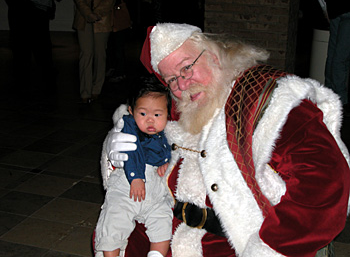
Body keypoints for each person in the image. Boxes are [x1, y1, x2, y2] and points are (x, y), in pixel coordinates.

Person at [103, 23, 350, 257]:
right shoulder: (180, 104)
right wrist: (118, 138)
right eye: (171, 80)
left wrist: (269, 248)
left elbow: (326, 184)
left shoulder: (273, 102)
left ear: (213, 55)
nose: (182, 84)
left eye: (187, 67)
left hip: (241, 241)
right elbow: (138, 113)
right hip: (169, 227)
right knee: (112, 239)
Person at [94, 77, 173, 257]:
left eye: (157, 115)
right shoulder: (130, 126)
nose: (150, 121)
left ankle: (156, 254)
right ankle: (110, 254)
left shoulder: (166, 132)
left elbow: (170, 149)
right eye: (143, 114)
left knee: (162, 220)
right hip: (127, 185)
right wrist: (136, 177)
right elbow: (132, 152)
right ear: (131, 111)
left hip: (155, 191)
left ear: (167, 114)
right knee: (115, 219)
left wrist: (167, 163)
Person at [4, 0, 62, 96]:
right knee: (27, 53)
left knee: (37, 53)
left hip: (32, 14)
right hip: (25, 13)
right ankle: (31, 87)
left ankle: (39, 87)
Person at [72, 0, 116, 103]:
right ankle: (85, 92)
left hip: (103, 19)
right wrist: (88, 13)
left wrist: (97, 13)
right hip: (83, 18)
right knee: (86, 54)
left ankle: (96, 89)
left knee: (100, 54)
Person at [324, 0, 350, 116]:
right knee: (340, 58)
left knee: (333, 55)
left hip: (334, 8)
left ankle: (328, 96)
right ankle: (340, 100)